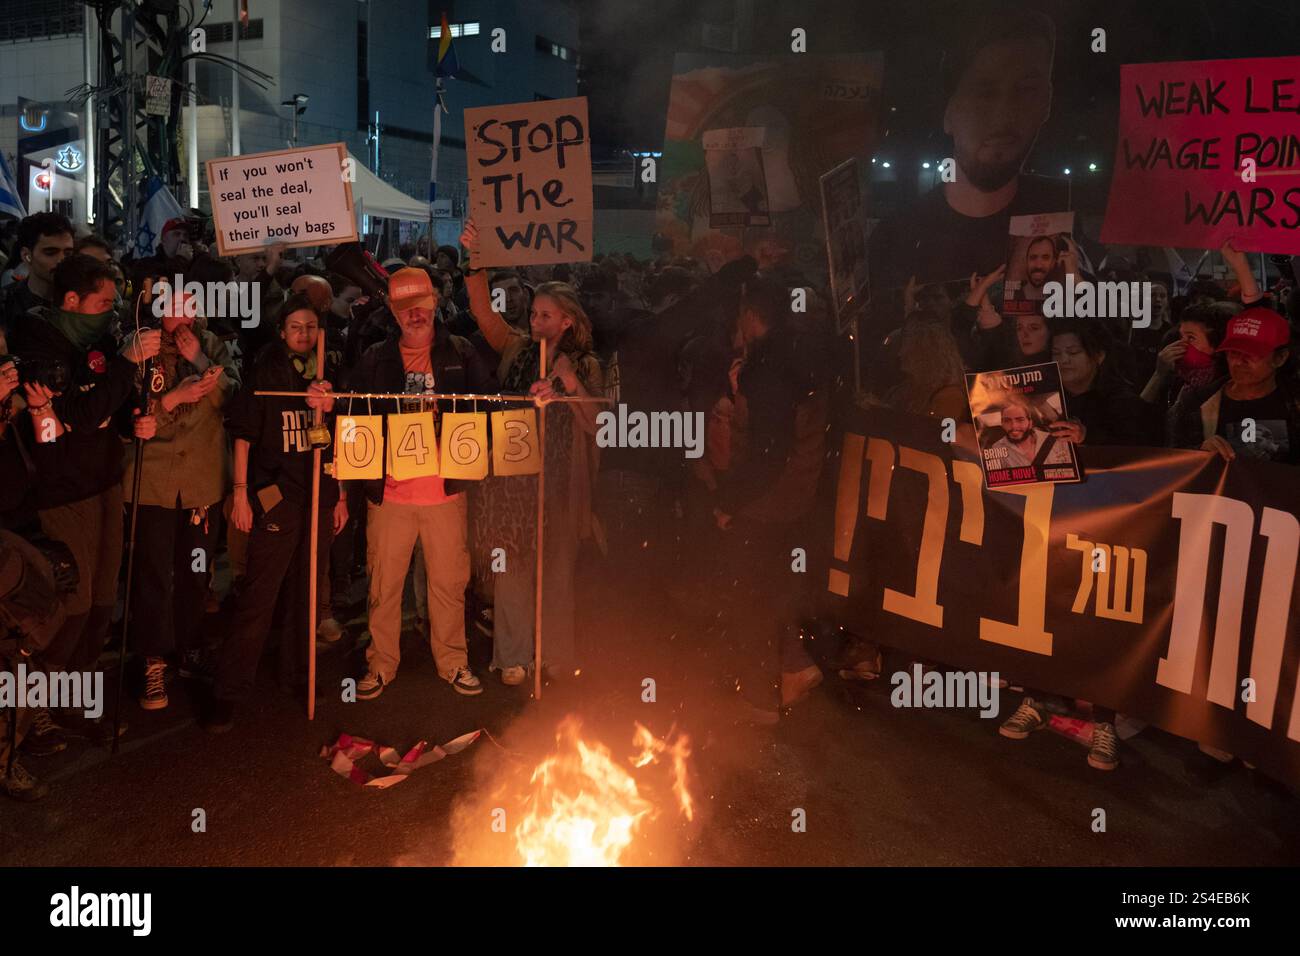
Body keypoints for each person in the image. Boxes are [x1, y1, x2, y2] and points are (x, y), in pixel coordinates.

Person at [6, 253, 160, 750]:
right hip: (60, 493)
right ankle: (30, 715)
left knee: (100, 605)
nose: (110, 313)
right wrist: (123, 365)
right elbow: (76, 409)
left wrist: (131, 421)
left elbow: (103, 409)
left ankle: (74, 698)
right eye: (102, 303)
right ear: (71, 301)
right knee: (67, 607)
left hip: (104, 482)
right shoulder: (39, 342)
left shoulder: (101, 343)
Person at [461, 219, 603, 686]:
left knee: (558, 571)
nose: (535, 321)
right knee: (512, 569)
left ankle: (555, 652)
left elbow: (598, 426)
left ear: (567, 321)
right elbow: (485, 316)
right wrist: (474, 260)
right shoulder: (516, 348)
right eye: (533, 313)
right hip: (512, 481)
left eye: (545, 315)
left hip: (561, 483)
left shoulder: (585, 364)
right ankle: (514, 655)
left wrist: (570, 383)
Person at [867, 6, 1063, 333]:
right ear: (949, 111)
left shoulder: (1058, 224)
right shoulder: (895, 237)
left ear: (1047, 102)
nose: (1003, 117)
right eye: (984, 92)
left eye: (1025, 90)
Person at [346, 267, 493, 700]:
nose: (416, 315)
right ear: (393, 313)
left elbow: (493, 403)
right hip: (390, 493)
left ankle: (453, 661)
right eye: (405, 309)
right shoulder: (375, 357)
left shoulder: (462, 352)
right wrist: (326, 399)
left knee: (448, 584)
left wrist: (535, 394)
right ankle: (380, 665)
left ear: (434, 304)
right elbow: (352, 413)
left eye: (422, 306)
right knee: (383, 585)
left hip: (444, 493)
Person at [204, 294, 346, 731]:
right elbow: (243, 435)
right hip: (277, 496)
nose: (304, 334)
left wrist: (339, 496)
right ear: (282, 330)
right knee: (259, 596)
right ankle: (228, 691)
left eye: (311, 326)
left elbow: (341, 441)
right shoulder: (265, 372)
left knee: (308, 594)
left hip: (319, 496)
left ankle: (299, 675)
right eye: (295, 326)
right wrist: (242, 492)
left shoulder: (330, 372)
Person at [121, 283, 238, 710]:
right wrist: (174, 397)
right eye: (174, 309)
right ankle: (152, 658)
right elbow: (126, 411)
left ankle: (188, 647)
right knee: (152, 574)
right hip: (152, 481)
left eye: (190, 306)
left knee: (195, 571)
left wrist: (200, 361)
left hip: (201, 482)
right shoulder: (140, 347)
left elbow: (235, 399)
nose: (184, 317)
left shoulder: (213, 345)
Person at [1171, 306, 1296, 465]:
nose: (1238, 362)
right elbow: (1171, 460)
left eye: (1251, 353)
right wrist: (1199, 452)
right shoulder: (1196, 403)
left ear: (1280, 358)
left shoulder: (1294, 402)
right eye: (1233, 352)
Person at [1, 213, 75, 338]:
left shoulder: (86, 299)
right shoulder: (5, 303)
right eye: (51, 253)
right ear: (26, 256)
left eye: (68, 253)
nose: (61, 260)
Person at [988, 397, 1076, 468]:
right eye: (1007, 421)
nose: (1014, 426)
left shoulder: (1057, 440)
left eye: (1020, 420)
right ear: (1002, 424)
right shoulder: (996, 449)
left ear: (1030, 423)